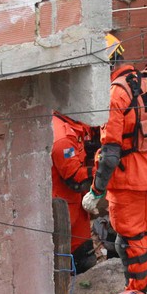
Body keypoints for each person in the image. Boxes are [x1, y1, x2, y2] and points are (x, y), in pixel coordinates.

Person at [82, 57, 147, 293]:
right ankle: (146, 283)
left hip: (130, 181)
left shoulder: (116, 94)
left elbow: (110, 155)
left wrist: (96, 191)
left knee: (129, 239)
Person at [50, 111, 99, 273]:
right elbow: (74, 178)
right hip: (64, 208)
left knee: (85, 258)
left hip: (75, 206)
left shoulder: (76, 125)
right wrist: (101, 171)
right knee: (65, 262)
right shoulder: (62, 139)